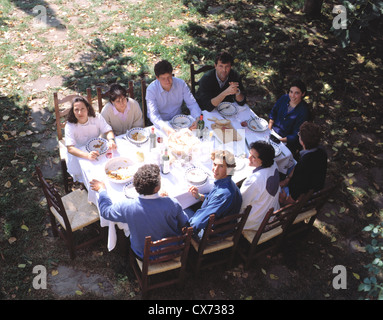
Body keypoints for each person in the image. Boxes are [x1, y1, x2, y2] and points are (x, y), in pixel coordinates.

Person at [89, 164, 189, 259]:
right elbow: (184, 223)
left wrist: (102, 190)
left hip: (144, 254)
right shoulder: (172, 203)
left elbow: (106, 212)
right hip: (173, 250)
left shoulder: (127, 206)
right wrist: (165, 201)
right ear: (157, 188)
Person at [186, 150, 242, 236]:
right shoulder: (227, 183)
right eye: (215, 164)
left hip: (209, 234)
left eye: (221, 166)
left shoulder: (223, 194)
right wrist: (199, 196)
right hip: (219, 226)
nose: (215, 170)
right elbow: (212, 199)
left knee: (179, 210)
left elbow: (196, 223)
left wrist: (183, 230)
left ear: (229, 169)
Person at [65, 96, 116, 182]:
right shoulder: (70, 125)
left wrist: (111, 140)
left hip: (96, 149)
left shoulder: (96, 117)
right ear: (73, 111)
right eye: (76, 110)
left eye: (82, 109)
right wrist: (87, 156)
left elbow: (108, 130)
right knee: (87, 176)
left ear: (88, 108)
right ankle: (83, 184)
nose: (80, 112)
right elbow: (70, 148)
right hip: (79, 153)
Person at [146, 60, 201, 136]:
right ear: (157, 78)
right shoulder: (151, 89)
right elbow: (153, 114)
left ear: (172, 74)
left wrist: (197, 119)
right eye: (163, 78)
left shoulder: (181, 84)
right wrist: (165, 127)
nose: (167, 81)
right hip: (161, 124)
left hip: (179, 122)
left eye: (169, 77)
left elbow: (192, 103)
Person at [279, 121, 327, 205]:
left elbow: (295, 196)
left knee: (271, 188)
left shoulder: (304, 165)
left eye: (299, 134)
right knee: (289, 162)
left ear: (302, 141)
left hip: (302, 197)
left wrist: (283, 201)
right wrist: (287, 179)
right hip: (311, 184)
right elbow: (298, 166)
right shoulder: (321, 151)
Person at [240, 141, 280, 231]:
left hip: (255, 222)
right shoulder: (274, 165)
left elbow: (241, 203)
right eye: (250, 154)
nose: (248, 158)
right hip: (271, 214)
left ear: (262, 161)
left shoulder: (254, 180)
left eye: (253, 157)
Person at [268, 79, 310, 154]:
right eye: (291, 92)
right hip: (272, 131)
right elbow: (273, 112)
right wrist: (269, 127)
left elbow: (296, 134)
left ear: (303, 94)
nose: (292, 96)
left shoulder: (304, 111)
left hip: (285, 141)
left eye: (296, 93)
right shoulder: (284, 98)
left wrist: (278, 140)